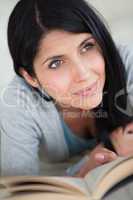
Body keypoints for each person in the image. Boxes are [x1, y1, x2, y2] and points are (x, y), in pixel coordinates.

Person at [0, 0, 133, 176]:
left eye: (87, 46)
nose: (83, 74)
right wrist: (85, 168)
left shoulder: (126, 60)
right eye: (56, 63)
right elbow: (19, 189)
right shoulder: (17, 104)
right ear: (30, 77)